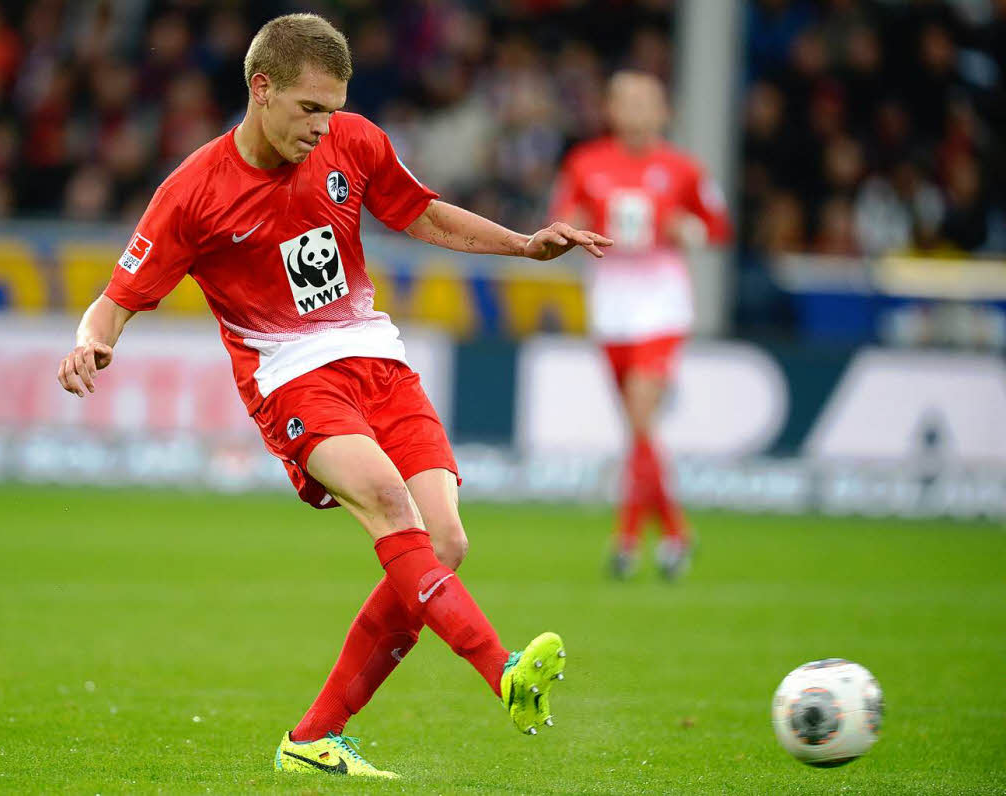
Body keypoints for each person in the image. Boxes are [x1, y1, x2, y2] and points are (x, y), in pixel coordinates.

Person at [56, 13, 611, 778]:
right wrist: (92, 339)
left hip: (377, 360)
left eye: (333, 108)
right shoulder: (193, 192)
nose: (323, 127)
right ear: (262, 88)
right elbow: (115, 298)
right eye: (309, 108)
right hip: (289, 377)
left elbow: (420, 212)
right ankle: (503, 669)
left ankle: (314, 735)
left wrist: (521, 244)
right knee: (388, 503)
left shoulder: (356, 140)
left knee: (444, 544)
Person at [549, 71, 730, 580]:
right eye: (624, 101)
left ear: (663, 111)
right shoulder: (586, 163)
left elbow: (717, 226)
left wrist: (683, 229)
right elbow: (561, 213)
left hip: (661, 305)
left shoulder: (681, 168)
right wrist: (577, 231)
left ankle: (628, 540)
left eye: (645, 102)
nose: (634, 111)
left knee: (640, 418)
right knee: (637, 428)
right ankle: (675, 533)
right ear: (611, 109)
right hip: (610, 307)